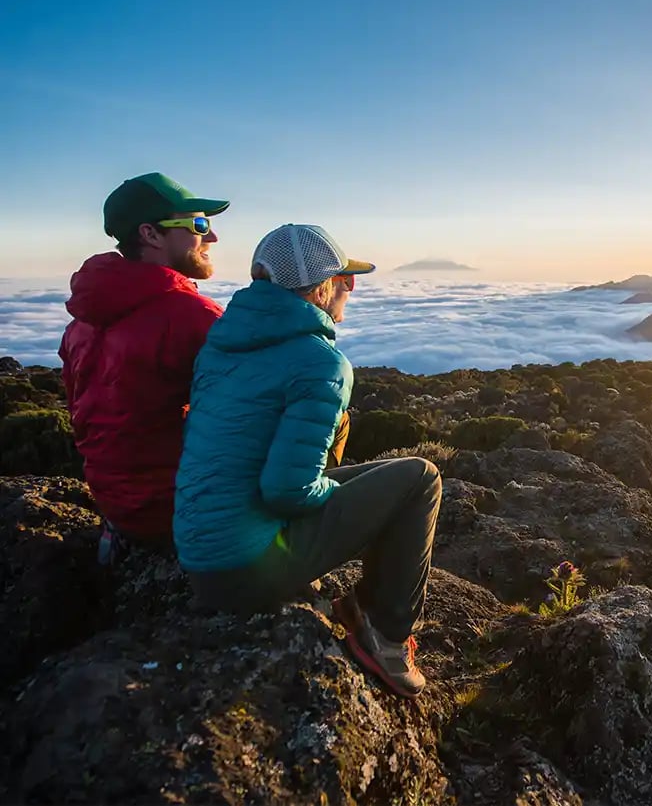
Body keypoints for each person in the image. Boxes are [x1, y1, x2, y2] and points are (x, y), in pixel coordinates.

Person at [173, 224, 441, 698]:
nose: (350, 287)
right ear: (320, 289)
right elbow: (288, 491)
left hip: (200, 556)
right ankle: (387, 637)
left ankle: (360, 607)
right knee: (421, 478)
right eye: (344, 278)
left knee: (388, 478)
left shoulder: (220, 345)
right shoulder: (320, 362)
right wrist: (338, 495)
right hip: (242, 570)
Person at [59, 173, 228, 562]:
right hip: (179, 510)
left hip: (115, 504)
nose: (213, 237)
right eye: (199, 225)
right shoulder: (193, 317)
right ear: (151, 234)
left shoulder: (81, 322)